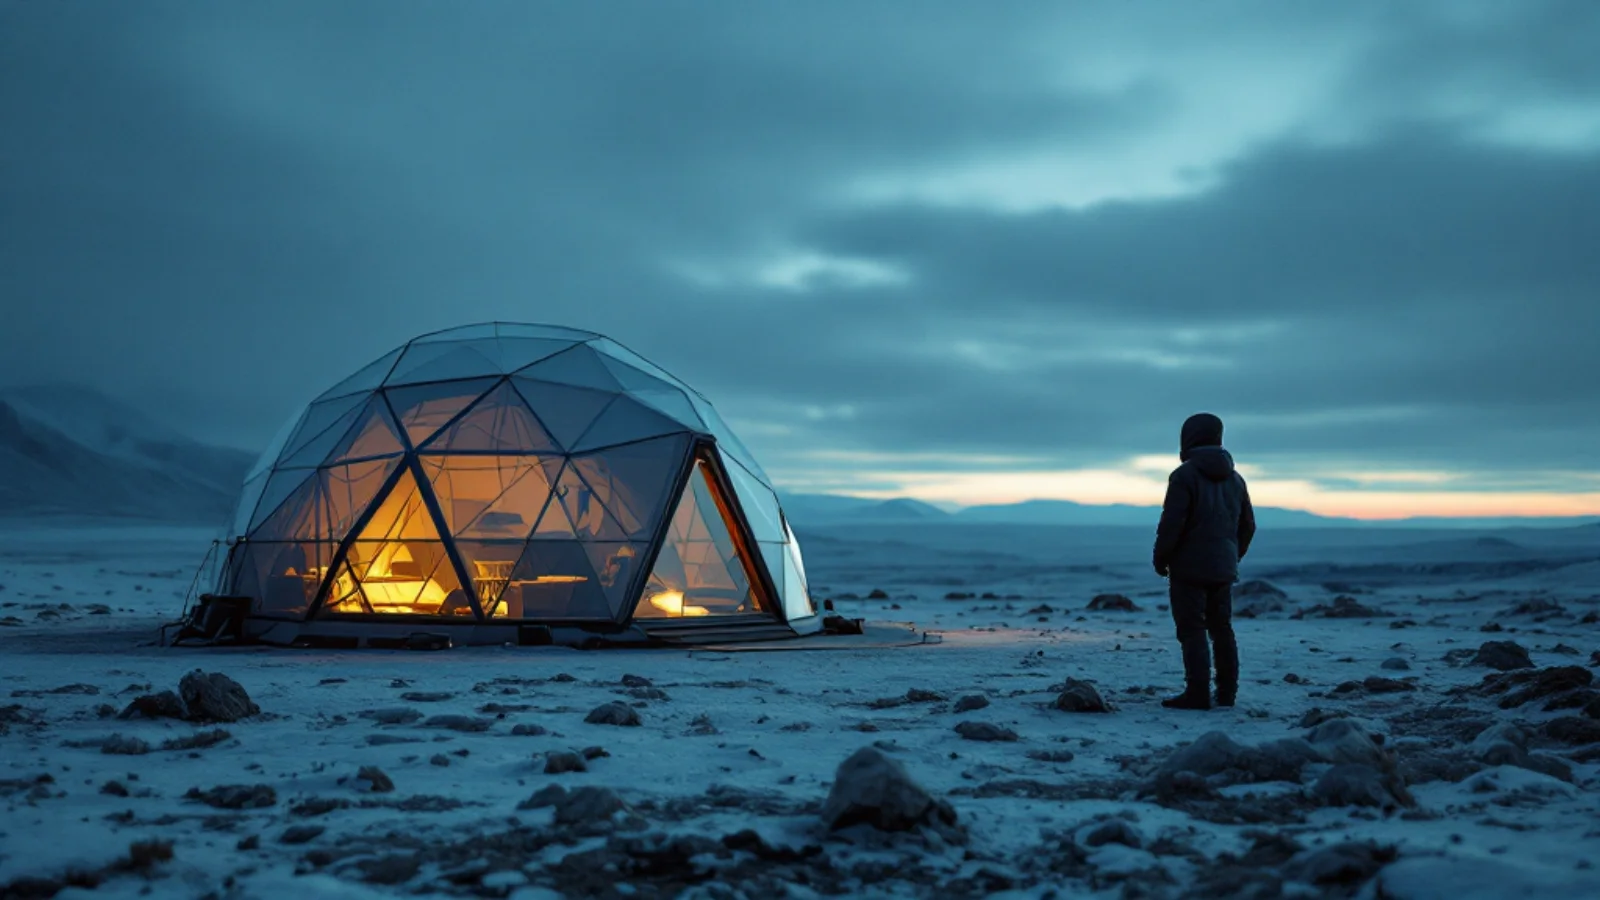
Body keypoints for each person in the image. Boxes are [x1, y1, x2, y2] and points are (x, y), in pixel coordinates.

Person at [1153, 413, 1256, 710]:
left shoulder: (1184, 476)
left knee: (1192, 629)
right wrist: (1231, 556)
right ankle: (1226, 693)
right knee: (1222, 628)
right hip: (1223, 566)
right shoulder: (1236, 479)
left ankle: (1197, 693)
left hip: (1188, 567)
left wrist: (1161, 558)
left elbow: (1172, 523)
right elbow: (1248, 526)